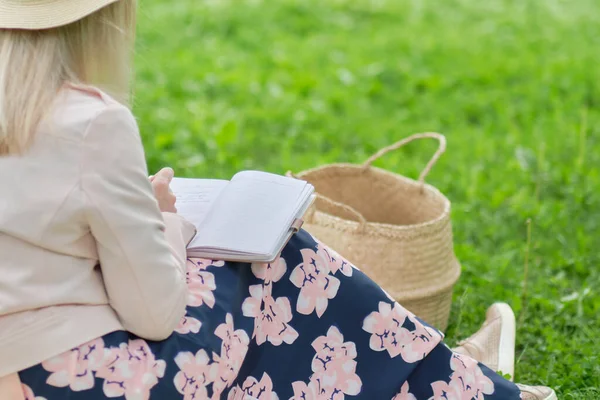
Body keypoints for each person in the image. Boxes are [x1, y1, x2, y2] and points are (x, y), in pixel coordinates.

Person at [0, 1, 556, 399]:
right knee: (277, 262)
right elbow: (154, 314)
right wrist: (163, 222)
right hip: (75, 379)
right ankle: (471, 386)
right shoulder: (90, 122)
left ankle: (456, 379)